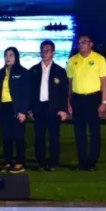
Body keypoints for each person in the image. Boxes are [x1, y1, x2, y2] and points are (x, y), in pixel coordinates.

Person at [67, 34, 106, 171]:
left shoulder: (99, 59)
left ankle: (92, 162)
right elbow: (70, 83)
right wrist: (68, 101)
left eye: (84, 42)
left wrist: (103, 102)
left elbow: (104, 83)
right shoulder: (73, 60)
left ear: (91, 44)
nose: (81, 45)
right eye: (79, 42)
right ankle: (82, 161)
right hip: (77, 99)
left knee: (94, 131)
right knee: (79, 132)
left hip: (93, 98)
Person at [29, 40, 68, 171]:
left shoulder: (60, 71)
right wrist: (30, 109)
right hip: (39, 108)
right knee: (39, 136)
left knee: (54, 136)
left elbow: (64, 92)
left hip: (54, 108)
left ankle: (53, 162)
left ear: (53, 53)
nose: (44, 53)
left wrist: (63, 109)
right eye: (43, 50)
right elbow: (30, 91)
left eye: (47, 50)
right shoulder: (33, 70)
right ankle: (41, 162)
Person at [0, 47, 30, 173]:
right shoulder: (0, 73)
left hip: (17, 108)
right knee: (6, 136)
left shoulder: (23, 72)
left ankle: (20, 162)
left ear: (16, 57)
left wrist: (23, 110)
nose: (8, 58)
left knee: (18, 136)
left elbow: (26, 93)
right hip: (4, 108)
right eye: (6, 55)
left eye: (11, 55)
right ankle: (8, 161)